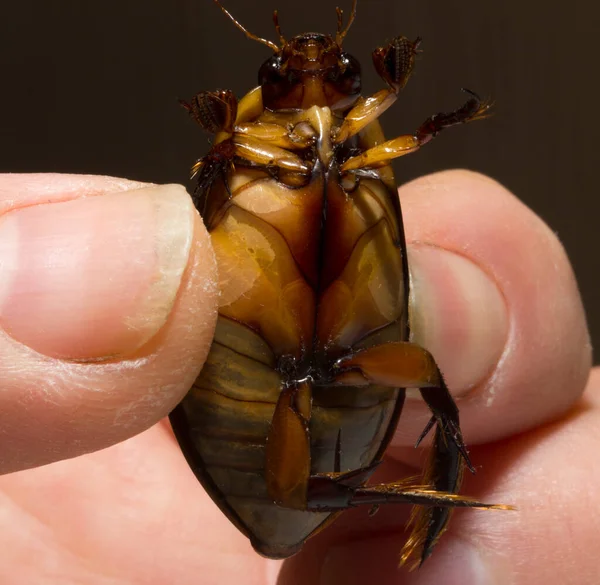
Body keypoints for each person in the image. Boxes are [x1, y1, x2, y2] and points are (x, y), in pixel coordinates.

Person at [0, 170, 593, 584]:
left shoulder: (357, 155)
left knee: (435, 363)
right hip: (253, 424)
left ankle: (441, 484)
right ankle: (433, 490)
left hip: (317, 376)